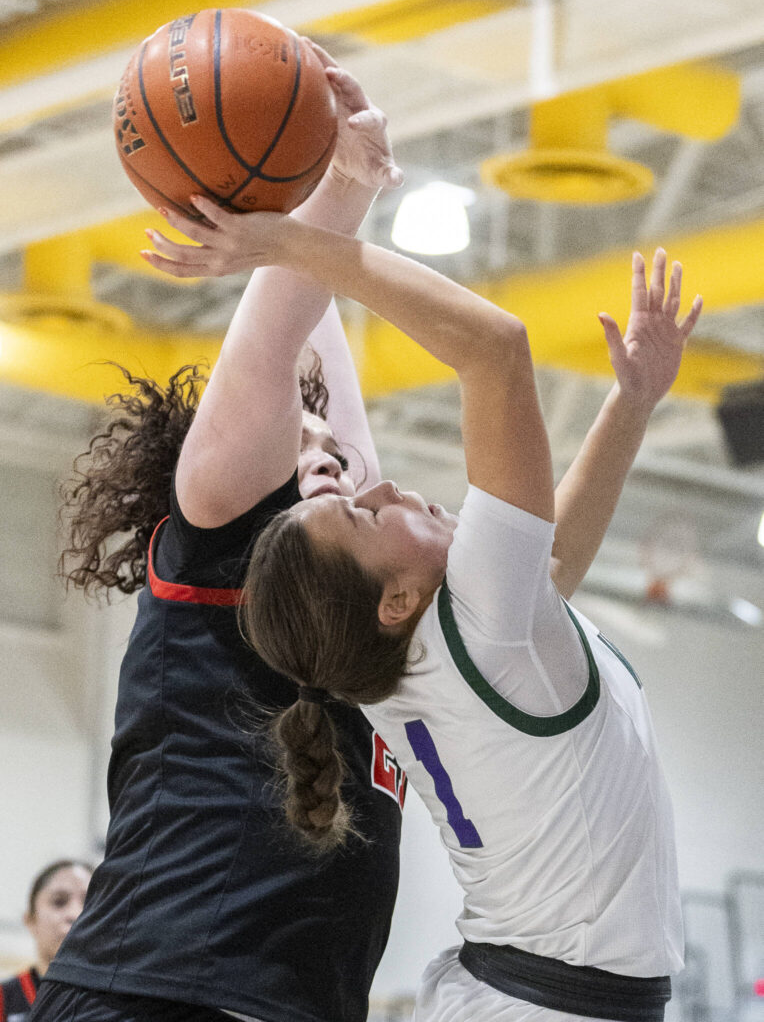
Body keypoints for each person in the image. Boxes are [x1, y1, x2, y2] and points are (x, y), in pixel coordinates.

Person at [148, 200, 702, 1022]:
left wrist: (632, 402)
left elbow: (556, 563)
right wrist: (290, 241)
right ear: (393, 598)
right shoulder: (473, 618)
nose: (380, 485)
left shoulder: (431, 649)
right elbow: (496, 349)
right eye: (368, 516)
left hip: (526, 1000)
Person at [32, 53, 406, 1022]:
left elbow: (319, 348)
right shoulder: (215, 518)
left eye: (334, 447)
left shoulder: (361, 586)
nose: (332, 457)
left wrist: (339, 177)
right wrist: (321, 197)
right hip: (152, 992)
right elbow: (278, 337)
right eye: (301, 437)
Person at [1, 861, 92, 1022]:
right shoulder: (4, 998)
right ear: (30, 921)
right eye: (59, 902)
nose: (75, 914)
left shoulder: (124, 999)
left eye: (89, 903)